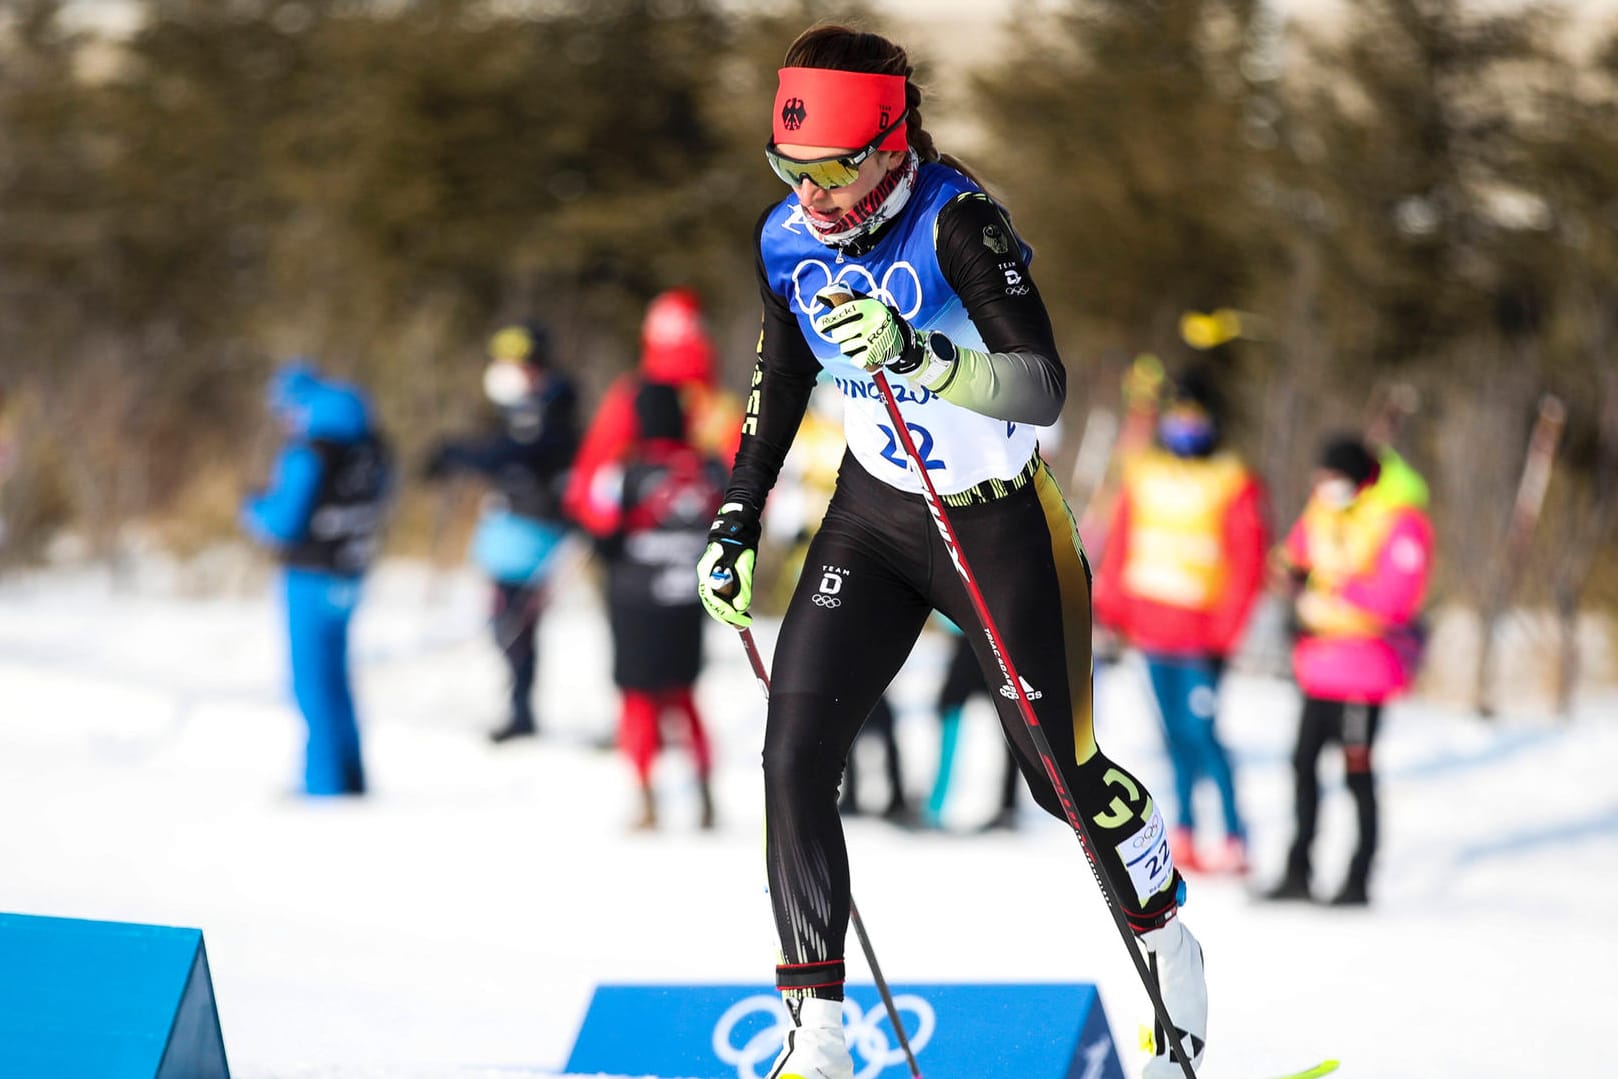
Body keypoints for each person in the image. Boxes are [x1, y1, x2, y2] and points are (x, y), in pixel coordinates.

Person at [693, 26, 1207, 1079]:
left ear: (891, 144)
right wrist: (736, 517)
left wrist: (920, 357)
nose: (812, 197)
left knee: (1055, 775)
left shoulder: (955, 222)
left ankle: (1165, 936)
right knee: (793, 753)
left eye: (834, 170)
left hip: (1001, 523)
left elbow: (1042, 384)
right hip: (873, 518)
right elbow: (775, 383)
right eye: (789, 170)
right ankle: (815, 1038)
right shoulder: (786, 240)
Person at [1092, 368, 1266, 874]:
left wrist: (1224, 634)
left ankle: (1233, 835)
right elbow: (1124, 545)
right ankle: (1186, 831)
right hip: (1151, 631)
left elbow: (1246, 563)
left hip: (1200, 638)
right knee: (1171, 738)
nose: (1184, 425)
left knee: (1204, 736)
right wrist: (1111, 611)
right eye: (1178, 415)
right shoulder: (1144, 472)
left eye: (1194, 416)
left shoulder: (1232, 480)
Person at [1263, 434, 1433, 907]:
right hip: (1318, 665)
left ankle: (1359, 878)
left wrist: (1324, 586)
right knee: (1302, 766)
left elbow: (1396, 601)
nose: (1324, 487)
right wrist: (1286, 572)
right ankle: (1299, 868)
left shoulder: (1401, 522)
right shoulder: (1321, 508)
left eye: (1332, 479)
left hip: (1365, 669)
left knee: (1357, 773)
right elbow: (1293, 554)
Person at [579, 382, 726, 831]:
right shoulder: (711, 469)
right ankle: (704, 796)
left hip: (635, 603)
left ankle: (646, 800)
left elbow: (601, 532)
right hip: (688, 600)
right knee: (685, 697)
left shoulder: (625, 471)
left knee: (639, 701)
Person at [423, 323, 580, 743]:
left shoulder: (552, 410)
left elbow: (514, 454)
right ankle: (518, 708)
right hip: (513, 530)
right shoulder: (524, 409)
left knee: (515, 625)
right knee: (507, 623)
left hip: (534, 533)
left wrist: (461, 454)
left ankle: (522, 712)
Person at [242, 360, 391, 797]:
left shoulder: (308, 451)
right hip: (351, 572)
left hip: (308, 577)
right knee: (338, 680)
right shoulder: (370, 446)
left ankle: (322, 787)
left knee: (310, 683)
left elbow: (283, 521)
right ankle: (352, 778)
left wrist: (252, 509)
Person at [564, 288, 742, 536]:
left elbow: (596, 468)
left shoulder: (631, 395)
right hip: (705, 537)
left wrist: (600, 528)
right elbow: (745, 475)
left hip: (637, 537)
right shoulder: (718, 404)